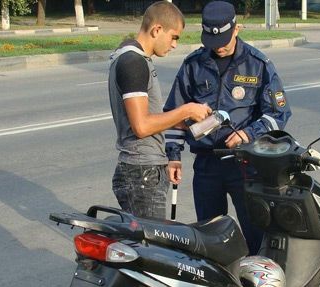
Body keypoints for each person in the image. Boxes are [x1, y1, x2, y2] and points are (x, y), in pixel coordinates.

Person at [164, 0, 292, 255]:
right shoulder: (193, 65)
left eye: (223, 39)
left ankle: (259, 285)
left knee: (256, 231)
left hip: (245, 164)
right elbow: (175, 114)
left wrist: (247, 134)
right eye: (212, 41)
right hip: (207, 165)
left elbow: (278, 113)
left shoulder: (258, 64)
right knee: (209, 237)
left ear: (236, 29)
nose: (218, 47)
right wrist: (174, 157)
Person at [109, 1, 211, 220]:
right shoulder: (133, 62)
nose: (174, 45)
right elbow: (142, 126)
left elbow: (148, 119)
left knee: (144, 247)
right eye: (174, 37)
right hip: (141, 173)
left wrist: (179, 124)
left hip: (144, 169)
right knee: (150, 251)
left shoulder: (132, 56)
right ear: (157, 30)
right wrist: (186, 110)